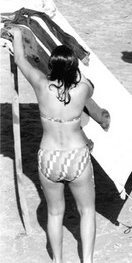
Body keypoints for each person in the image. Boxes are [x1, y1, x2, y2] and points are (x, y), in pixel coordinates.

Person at [10, 28, 98, 263]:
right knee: (87, 211)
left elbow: (20, 59)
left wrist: (17, 35)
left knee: (54, 212)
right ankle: (86, 260)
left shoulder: (41, 85)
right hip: (76, 154)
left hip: (48, 156)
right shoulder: (83, 89)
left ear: (52, 67)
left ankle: (58, 261)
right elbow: (89, 84)